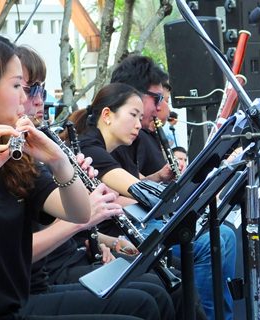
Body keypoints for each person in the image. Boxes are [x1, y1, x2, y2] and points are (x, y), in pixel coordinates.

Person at [0, 32, 167, 320]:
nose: (24, 98)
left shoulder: (14, 158)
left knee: (141, 307)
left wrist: (60, 163)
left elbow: (79, 212)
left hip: (10, 310)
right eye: (17, 86)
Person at [16, 45, 176, 320]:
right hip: (45, 278)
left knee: (155, 289)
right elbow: (82, 216)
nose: (39, 101)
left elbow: (73, 219)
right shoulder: (87, 146)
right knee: (150, 294)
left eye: (40, 90)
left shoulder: (33, 156)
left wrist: (105, 242)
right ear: (107, 115)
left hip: (64, 261)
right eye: (28, 88)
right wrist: (87, 215)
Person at [74, 54, 236, 320]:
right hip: (112, 234)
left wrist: (160, 179)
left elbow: (133, 189)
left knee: (220, 234)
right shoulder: (90, 146)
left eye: (140, 116)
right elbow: (135, 192)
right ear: (108, 114)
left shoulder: (126, 142)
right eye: (133, 114)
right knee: (209, 242)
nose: (139, 124)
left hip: (130, 227)